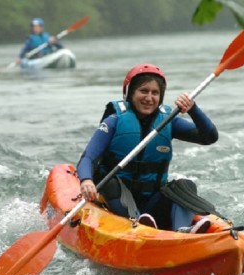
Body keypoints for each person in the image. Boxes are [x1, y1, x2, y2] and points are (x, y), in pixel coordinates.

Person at [76, 64, 219, 234]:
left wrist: (193, 109)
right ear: (131, 94)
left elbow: (209, 137)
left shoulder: (169, 121)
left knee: (185, 185)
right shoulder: (114, 121)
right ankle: (139, 225)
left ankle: (182, 231)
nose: (149, 98)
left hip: (152, 200)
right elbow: (88, 158)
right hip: (116, 200)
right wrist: (86, 180)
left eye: (155, 93)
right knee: (110, 183)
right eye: (143, 91)